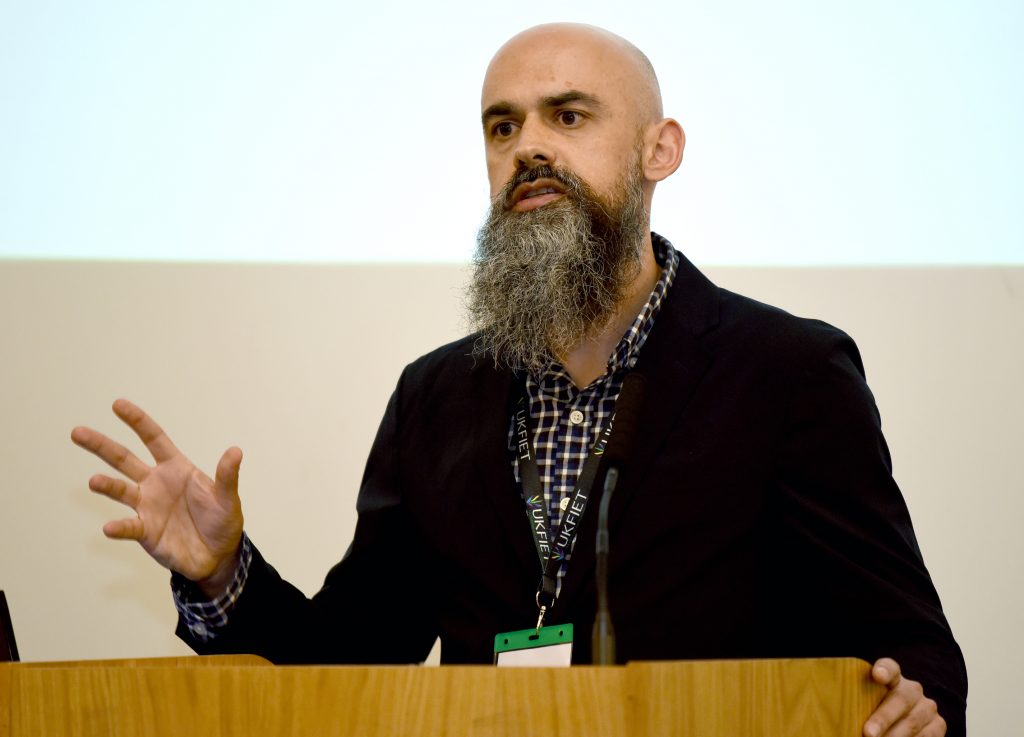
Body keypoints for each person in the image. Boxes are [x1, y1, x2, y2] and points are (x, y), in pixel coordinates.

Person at [71, 23, 967, 737]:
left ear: (661, 151)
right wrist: (225, 570)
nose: (528, 146)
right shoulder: (437, 397)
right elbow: (344, 667)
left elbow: (913, 653)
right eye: (503, 126)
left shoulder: (787, 371)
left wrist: (912, 706)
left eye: (568, 116)